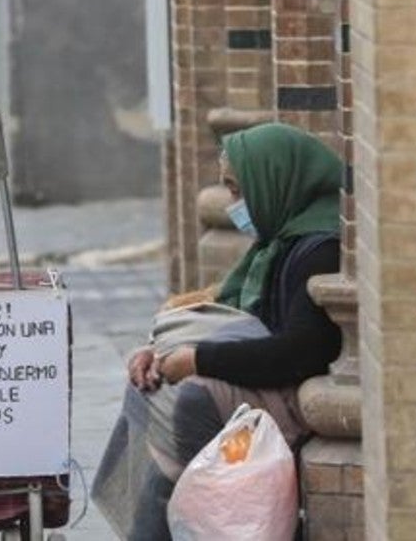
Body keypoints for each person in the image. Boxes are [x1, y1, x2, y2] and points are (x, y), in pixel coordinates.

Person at [97, 123, 343, 539]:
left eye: (238, 190)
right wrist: (155, 351)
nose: (235, 205)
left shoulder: (318, 249)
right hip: (263, 378)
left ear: (275, 180)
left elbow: (300, 351)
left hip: (290, 391)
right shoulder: (277, 242)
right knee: (149, 385)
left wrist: (197, 359)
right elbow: (224, 313)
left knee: (187, 399)